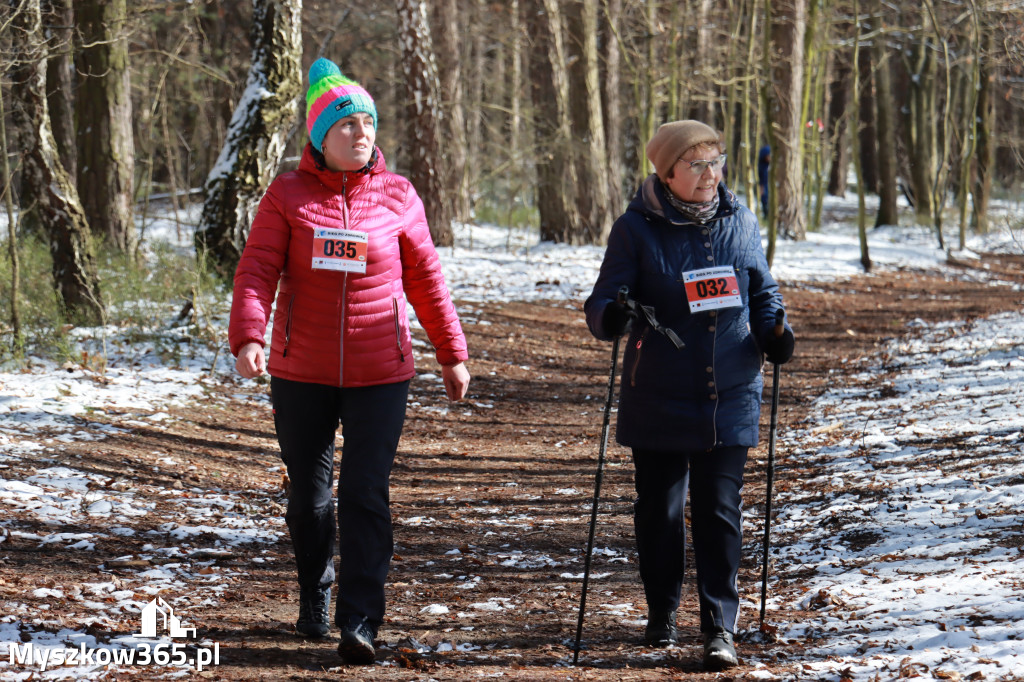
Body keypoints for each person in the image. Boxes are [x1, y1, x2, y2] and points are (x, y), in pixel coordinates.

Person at [228, 57, 471, 665]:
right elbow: (257, 269)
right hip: (299, 370)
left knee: (365, 494)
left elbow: (428, 280)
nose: (361, 132)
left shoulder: (397, 195)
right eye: (345, 123)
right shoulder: (286, 195)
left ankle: (359, 619)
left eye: (367, 121)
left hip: (379, 373)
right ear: (318, 137)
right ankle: (315, 589)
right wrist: (249, 336)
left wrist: (451, 353)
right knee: (310, 502)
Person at [584, 120, 794, 671]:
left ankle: (720, 628)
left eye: (716, 161)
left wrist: (775, 331)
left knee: (719, 508)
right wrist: (614, 314)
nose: (709, 174)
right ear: (667, 172)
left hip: (731, 384)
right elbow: (601, 303)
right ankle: (662, 611)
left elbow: (763, 290)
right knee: (660, 509)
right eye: (696, 164)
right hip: (658, 390)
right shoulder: (636, 229)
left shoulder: (739, 218)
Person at [757, 144, 771, 218]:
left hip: (770, 186)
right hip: (764, 186)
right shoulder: (762, 166)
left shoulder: (771, 165)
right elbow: (760, 177)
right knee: (764, 200)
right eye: (768, 156)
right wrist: (761, 187)